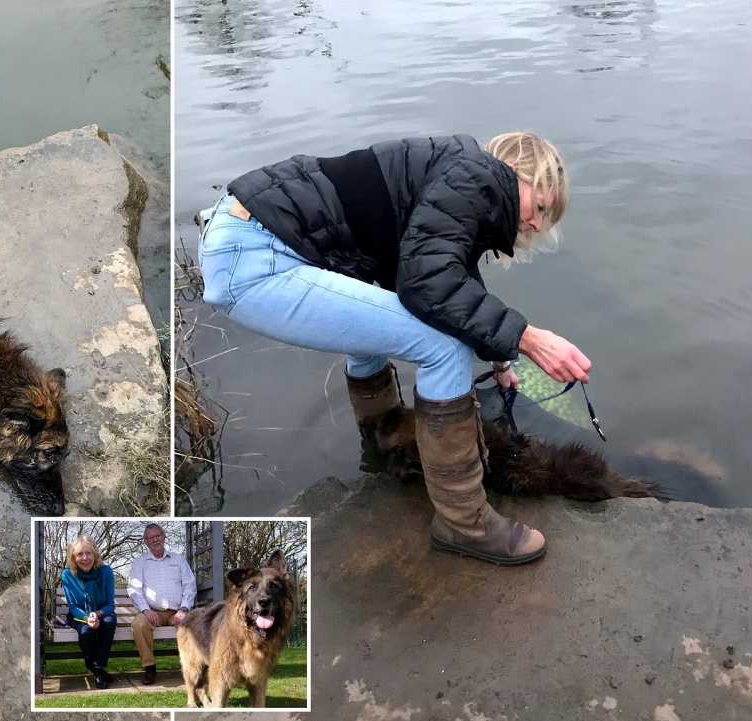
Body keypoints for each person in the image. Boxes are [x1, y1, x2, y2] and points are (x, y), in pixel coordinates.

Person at [196, 132, 591, 566]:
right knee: (444, 347)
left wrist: (499, 357)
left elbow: (444, 282)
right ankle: (464, 523)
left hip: (241, 233)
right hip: (254, 259)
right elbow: (429, 284)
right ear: (516, 174)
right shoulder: (474, 175)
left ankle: (383, 440)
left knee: (377, 317)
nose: (536, 225)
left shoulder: (454, 176)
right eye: (540, 208)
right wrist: (528, 338)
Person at [127, 523, 197, 684]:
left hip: (177, 611)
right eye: (150, 538)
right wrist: (145, 610)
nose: (155, 540)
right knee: (138, 624)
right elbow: (134, 589)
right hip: (151, 611)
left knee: (193, 624)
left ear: (164, 537)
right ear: (146, 542)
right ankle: (149, 667)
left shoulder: (178, 560)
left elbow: (190, 585)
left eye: (157, 535)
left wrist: (184, 609)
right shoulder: (140, 562)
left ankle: (193, 668)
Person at [60, 535, 117, 689]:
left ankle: (97, 667)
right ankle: (97, 671)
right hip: (79, 615)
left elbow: (110, 604)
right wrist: (87, 617)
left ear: (95, 555)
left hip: (103, 612)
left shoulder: (106, 572)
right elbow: (72, 606)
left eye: (88, 553)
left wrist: (97, 614)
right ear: (73, 557)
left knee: (109, 623)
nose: (85, 558)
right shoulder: (67, 574)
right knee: (86, 631)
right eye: (80, 554)